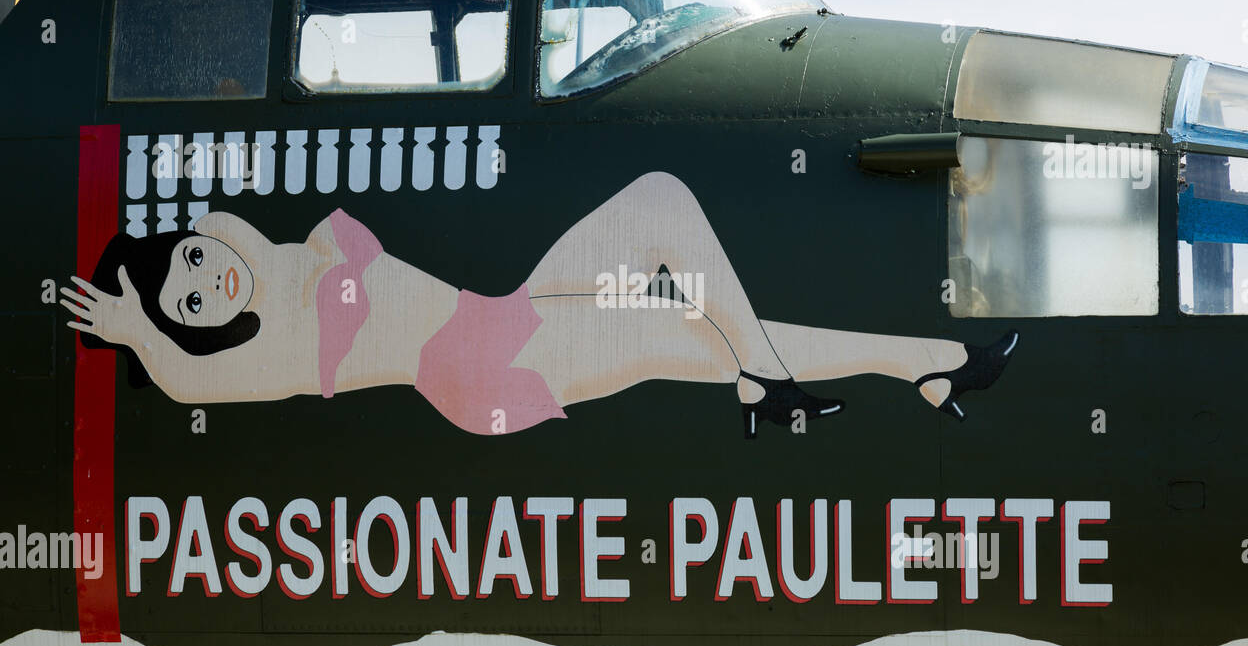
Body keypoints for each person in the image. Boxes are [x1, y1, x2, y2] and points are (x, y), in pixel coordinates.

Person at [62, 171, 1016, 438]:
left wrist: (181, 260)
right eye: (189, 301)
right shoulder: (273, 347)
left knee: (687, 285)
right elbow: (191, 374)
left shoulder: (274, 258)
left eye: (190, 261)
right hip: (485, 367)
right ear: (194, 326)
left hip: (509, 316)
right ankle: (786, 376)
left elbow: (223, 227)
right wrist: (138, 328)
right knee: (679, 280)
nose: (203, 282)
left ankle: (912, 362)